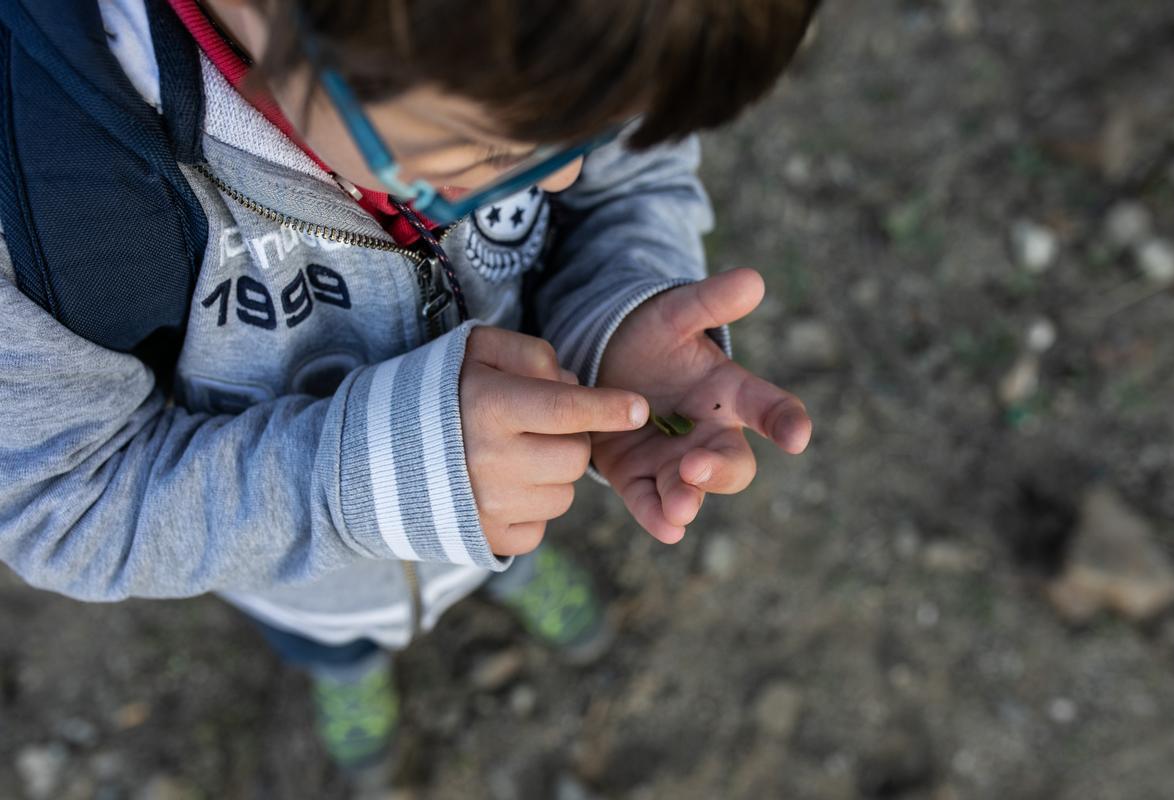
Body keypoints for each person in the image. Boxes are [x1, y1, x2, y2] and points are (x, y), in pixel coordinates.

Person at [0, 0, 818, 778]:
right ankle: (348, 670)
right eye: (486, 150)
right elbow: (62, 498)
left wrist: (615, 315)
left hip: (510, 493)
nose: (564, 176)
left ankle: (507, 569)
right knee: (335, 643)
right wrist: (372, 483)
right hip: (313, 585)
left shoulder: (564, 38)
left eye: (588, 132)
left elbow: (627, 182)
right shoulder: (44, 194)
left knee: (505, 536)